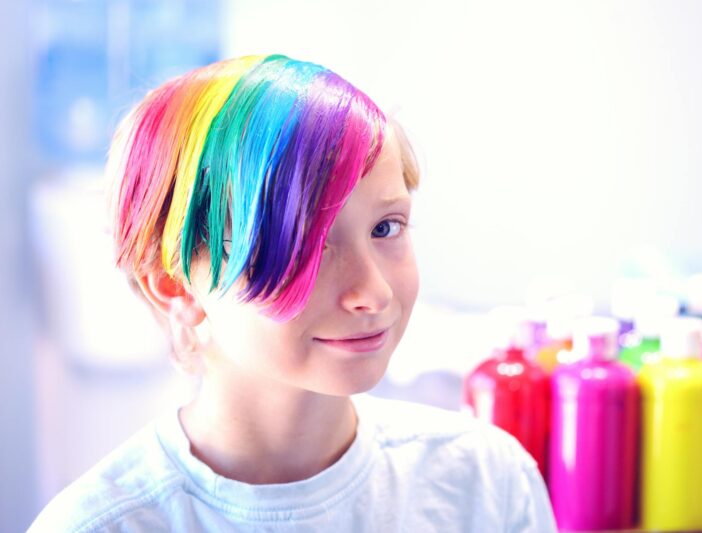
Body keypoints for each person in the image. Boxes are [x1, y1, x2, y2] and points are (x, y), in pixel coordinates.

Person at [29, 54, 556, 532]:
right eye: (307, 243)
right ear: (177, 287)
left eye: (386, 228)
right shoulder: (99, 526)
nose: (372, 293)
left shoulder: (482, 484)